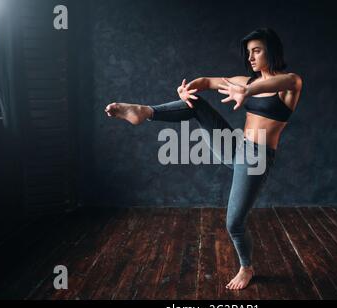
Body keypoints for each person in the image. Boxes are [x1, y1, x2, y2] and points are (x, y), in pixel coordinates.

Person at [104, 28, 302, 290]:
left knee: (234, 222)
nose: (251, 57)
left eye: (257, 50)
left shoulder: (290, 83)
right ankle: (145, 111)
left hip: (256, 158)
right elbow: (209, 82)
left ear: (272, 51)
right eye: (248, 52)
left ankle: (246, 267)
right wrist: (188, 88)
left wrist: (248, 91)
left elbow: (279, 82)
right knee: (194, 104)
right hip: (234, 146)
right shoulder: (243, 80)